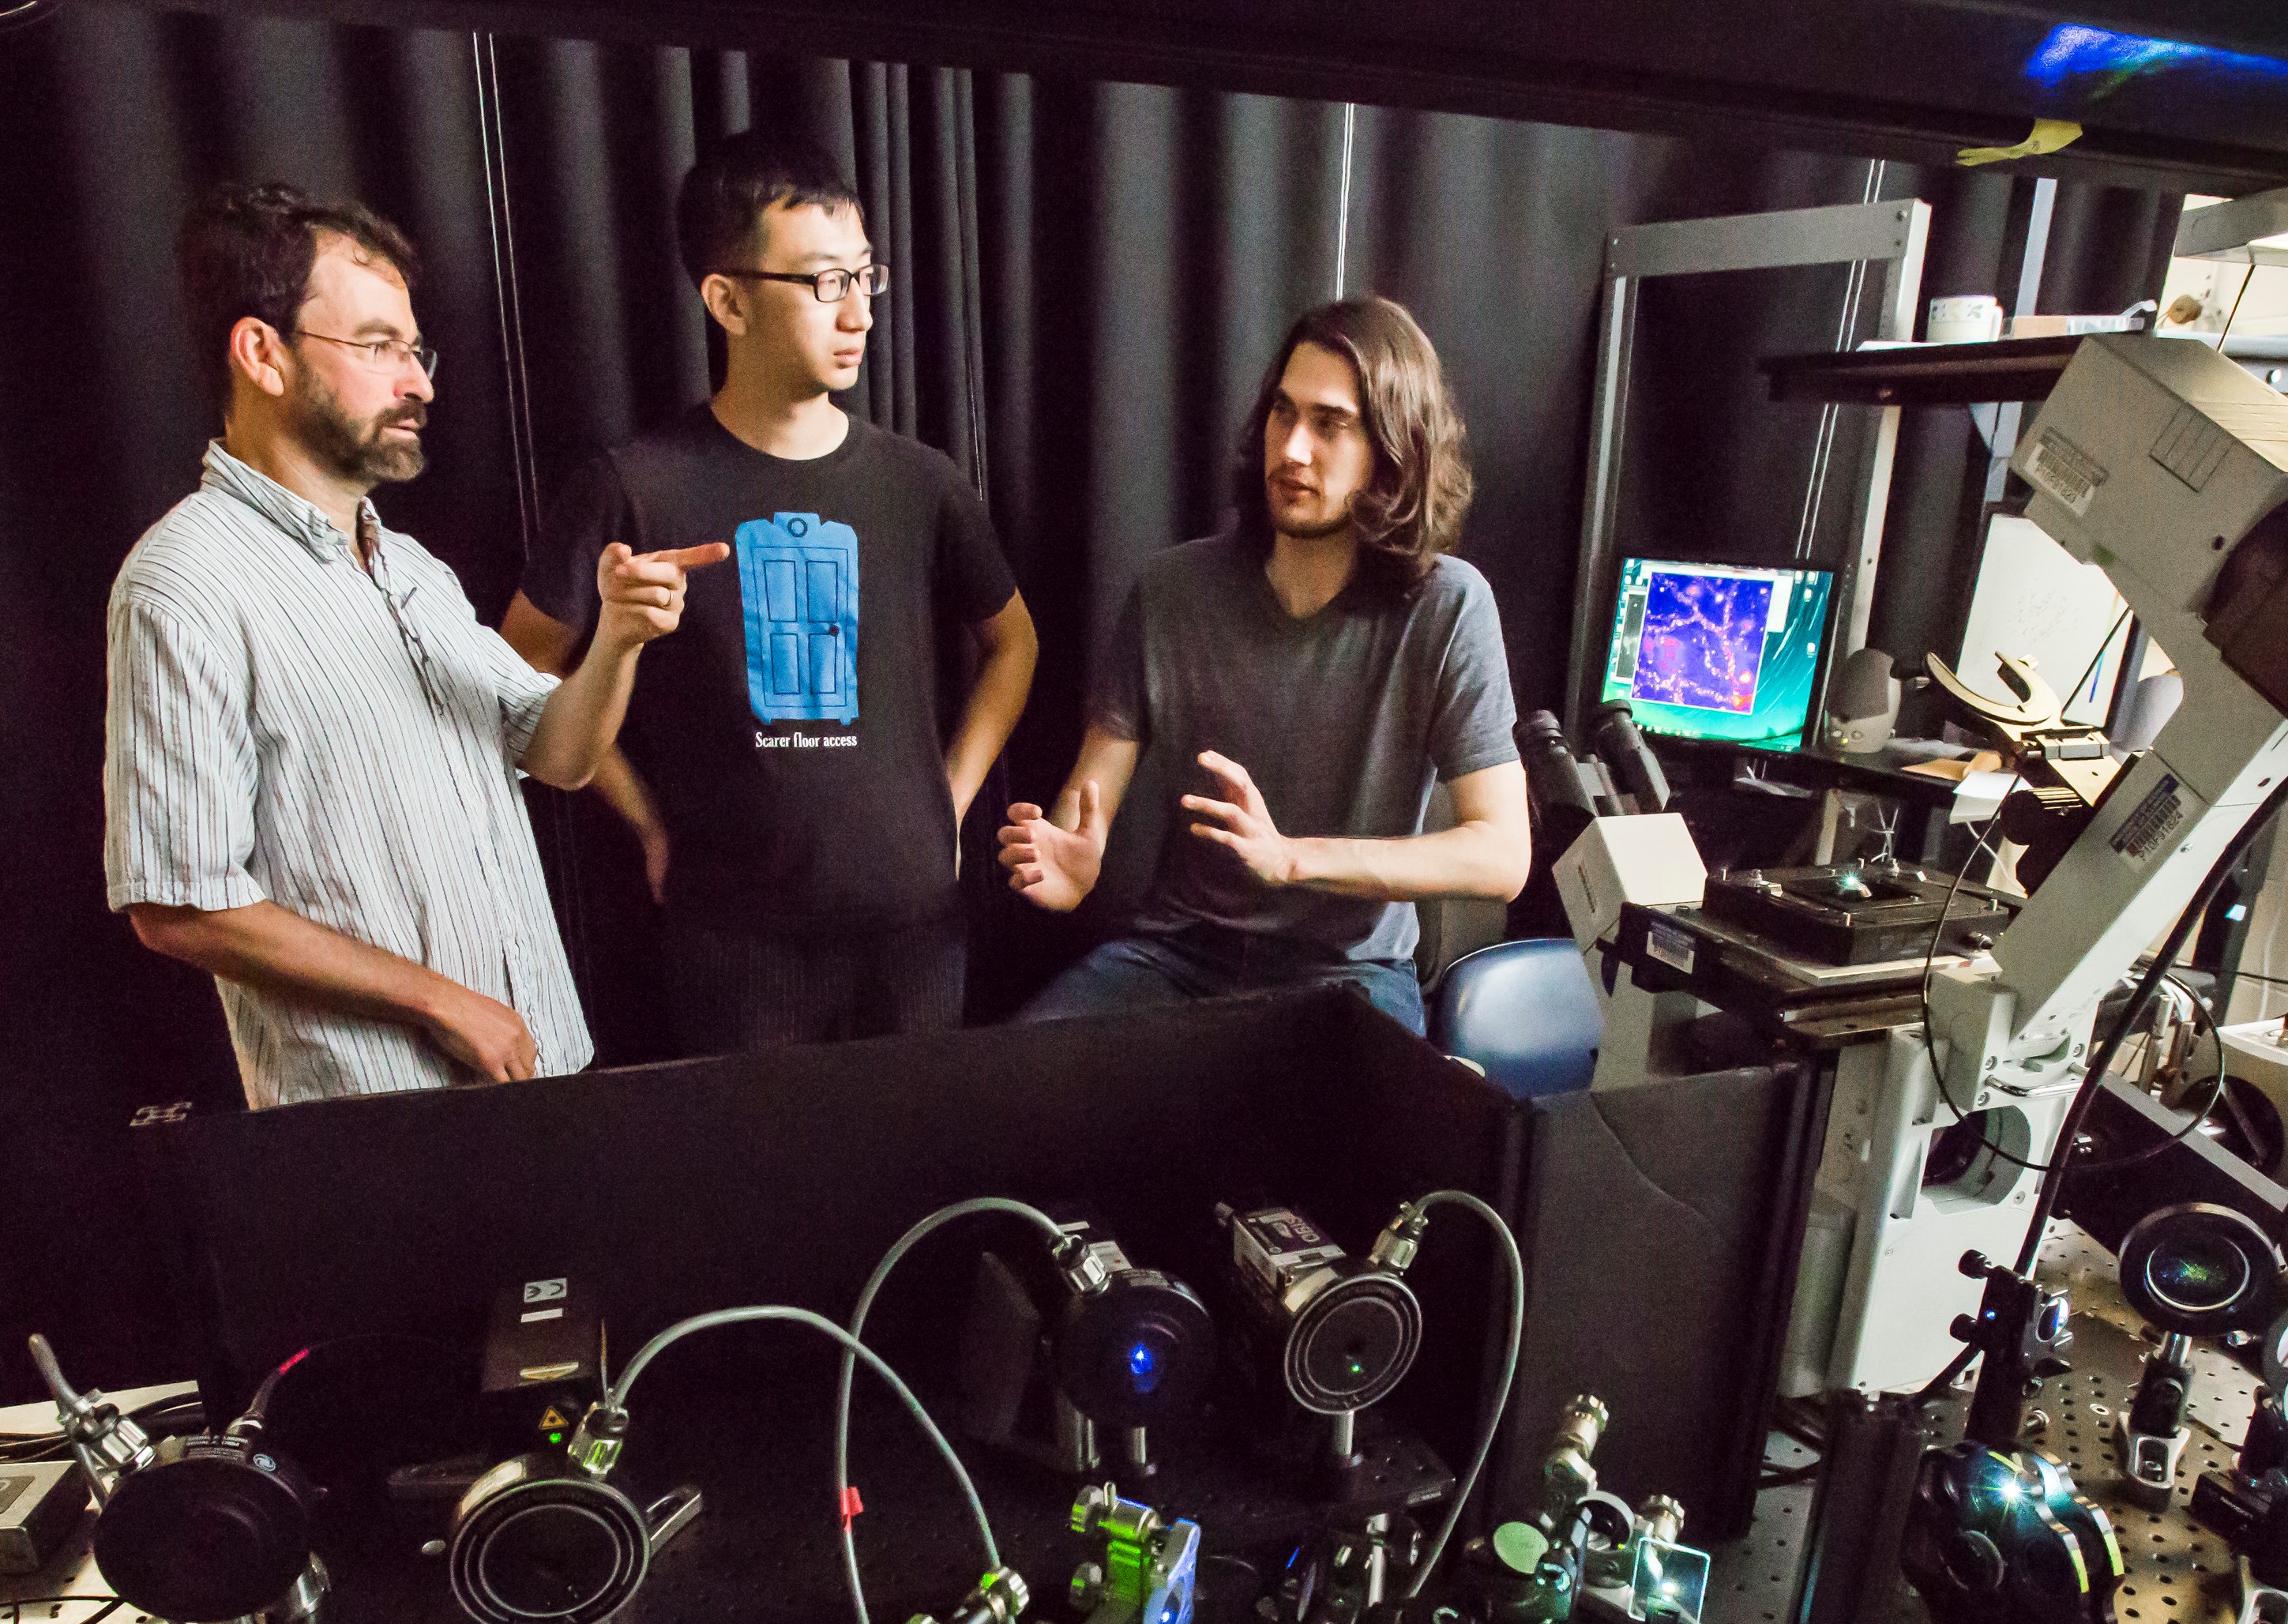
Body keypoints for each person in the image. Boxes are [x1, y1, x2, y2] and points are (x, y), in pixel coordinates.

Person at [107, 182, 714, 1108]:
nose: (421, 381)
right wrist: (440, 1001)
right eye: (378, 346)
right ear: (261, 354)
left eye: (415, 349)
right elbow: (178, 902)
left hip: (539, 1075)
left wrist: (619, 639)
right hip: (380, 1126)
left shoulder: (415, 569)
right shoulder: (183, 583)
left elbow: (559, 753)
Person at [505, 130, 1035, 1052]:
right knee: (761, 1186)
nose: (858, 313)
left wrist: (948, 797)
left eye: (864, 278)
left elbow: (1015, 643)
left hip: (915, 931)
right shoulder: (636, 485)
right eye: (823, 283)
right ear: (727, 300)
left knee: (912, 1177)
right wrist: (643, 816)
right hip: (733, 938)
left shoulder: (921, 482)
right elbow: (518, 669)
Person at [1000, 296, 1527, 1036]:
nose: (1293, 450)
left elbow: (1501, 854)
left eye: (1330, 424)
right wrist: (1073, 859)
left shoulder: (1448, 607)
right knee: (1011, 1084)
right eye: (1284, 415)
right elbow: (1088, 801)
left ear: (1394, 447)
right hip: (1176, 960)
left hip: (1349, 975)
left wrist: (1291, 860)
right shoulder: (1172, 590)